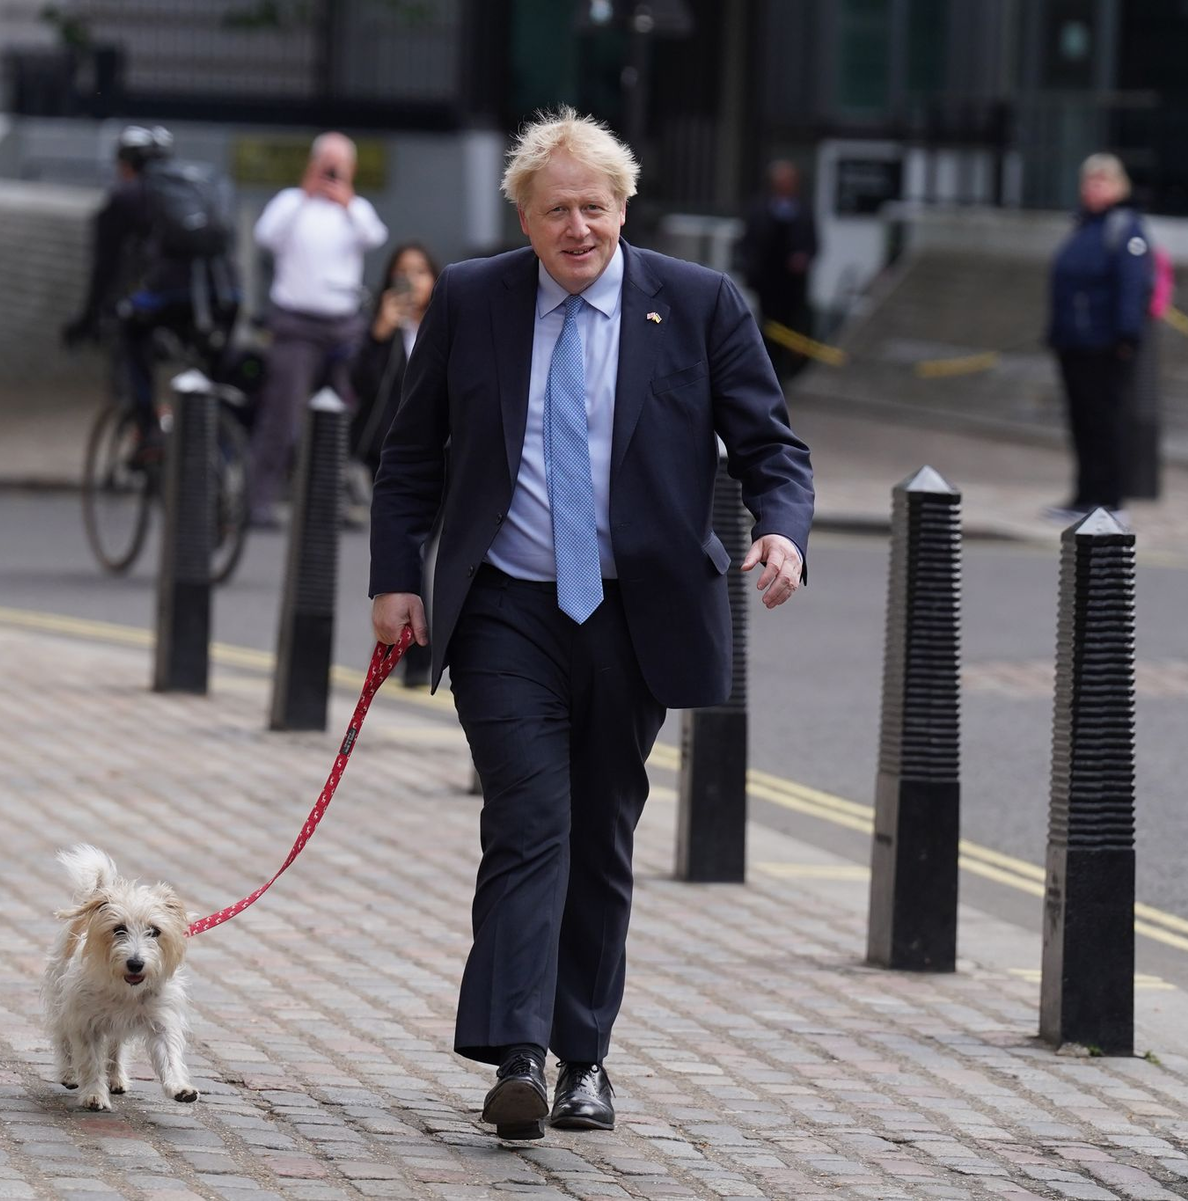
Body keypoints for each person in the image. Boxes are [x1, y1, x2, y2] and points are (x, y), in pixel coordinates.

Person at [368, 108, 814, 1141]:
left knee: (601, 834)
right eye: (558, 209)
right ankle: (517, 1053)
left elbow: (770, 446)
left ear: (625, 207)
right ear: (523, 219)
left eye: (597, 208)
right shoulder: (475, 300)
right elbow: (410, 456)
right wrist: (399, 577)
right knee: (531, 818)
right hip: (507, 606)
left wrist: (783, 532)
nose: (580, 228)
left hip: (635, 610)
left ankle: (585, 1058)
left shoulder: (698, 304)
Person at [62, 125, 240, 442]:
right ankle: (222, 447)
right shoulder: (200, 183)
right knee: (212, 370)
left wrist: (88, 320)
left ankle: (148, 430)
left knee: (132, 331)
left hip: (174, 294)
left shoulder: (128, 195)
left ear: (126, 164)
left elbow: (104, 268)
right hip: (226, 293)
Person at [247, 131, 388, 528]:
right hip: (296, 325)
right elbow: (266, 236)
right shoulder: (292, 203)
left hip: (343, 326)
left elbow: (375, 236)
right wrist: (306, 191)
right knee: (283, 413)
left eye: (337, 164)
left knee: (343, 416)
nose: (330, 171)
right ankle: (259, 500)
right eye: (325, 163)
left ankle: (332, 501)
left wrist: (346, 200)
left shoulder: (355, 209)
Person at [350, 242, 440, 686]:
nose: (413, 281)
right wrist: (379, 333)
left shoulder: (443, 328)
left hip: (443, 458)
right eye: (403, 273)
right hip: (389, 458)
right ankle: (409, 649)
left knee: (419, 552)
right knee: (411, 548)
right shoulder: (384, 332)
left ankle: (407, 647)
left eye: (421, 272)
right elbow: (360, 384)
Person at [1046, 152, 1153, 521]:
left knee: (1104, 423)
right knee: (1081, 422)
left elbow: (1132, 285)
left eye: (1102, 181)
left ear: (1118, 185)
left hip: (1105, 343)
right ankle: (1085, 495)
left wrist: (1127, 335)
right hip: (1073, 341)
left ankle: (1108, 500)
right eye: (1089, 181)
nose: (1093, 189)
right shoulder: (1082, 226)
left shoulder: (1123, 227)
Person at [740, 159, 818, 379]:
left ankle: (792, 372)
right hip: (766, 284)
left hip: (794, 286)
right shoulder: (758, 209)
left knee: (795, 329)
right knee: (768, 328)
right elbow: (748, 244)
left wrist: (803, 258)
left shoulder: (804, 211)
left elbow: (813, 244)